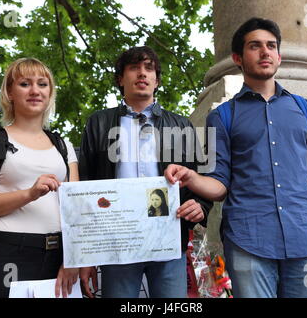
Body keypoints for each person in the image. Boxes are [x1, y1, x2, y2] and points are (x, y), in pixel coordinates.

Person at [164, 17, 307, 298]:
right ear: (238, 57)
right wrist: (191, 177)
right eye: (255, 46)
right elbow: (219, 185)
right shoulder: (221, 116)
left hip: (305, 242)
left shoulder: (304, 109)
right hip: (248, 242)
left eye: (271, 46)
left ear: (279, 56)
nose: (265, 52)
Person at [78, 46, 212, 298]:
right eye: (134, 68)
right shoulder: (98, 122)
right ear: (120, 78)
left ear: (157, 80)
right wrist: (86, 253)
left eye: (149, 68)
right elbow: (86, 182)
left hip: (169, 238)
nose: (142, 73)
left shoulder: (181, 125)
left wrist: (202, 205)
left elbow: (200, 175)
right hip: (117, 241)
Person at [0, 58, 97, 298]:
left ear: (50, 93)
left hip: (58, 256)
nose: (35, 90)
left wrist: (74, 257)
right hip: (5, 250)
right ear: (10, 92)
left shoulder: (63, 146)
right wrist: (29, 194)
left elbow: (75, 208)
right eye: (25, 83)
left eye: (42, 84)